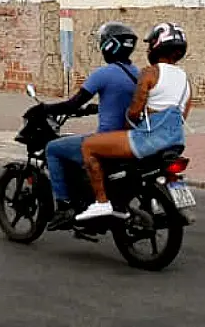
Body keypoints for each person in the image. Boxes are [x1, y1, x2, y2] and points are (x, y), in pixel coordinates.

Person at [25, 22, 141, 230]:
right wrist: (94, 108)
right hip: (128, 140)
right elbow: (119, 102)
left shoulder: (104, 74)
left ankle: (64, 206)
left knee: (53, 148)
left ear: (108, 46)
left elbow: (73, 103)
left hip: (105, 141)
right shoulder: (137, 73)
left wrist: (44, 109)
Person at [75, 22, 193, 221]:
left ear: (157, 45)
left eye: (150, 44)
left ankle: (102, 202)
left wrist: (125, 129)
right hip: (175, 142)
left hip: (147, 140)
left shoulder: (149, 73)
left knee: (88, 146)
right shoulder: (185, 80)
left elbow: (134, 112)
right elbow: (183, 115)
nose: (148, 49)